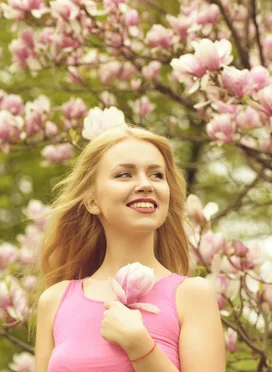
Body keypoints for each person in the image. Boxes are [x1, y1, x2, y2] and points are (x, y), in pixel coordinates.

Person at [31, 124, 226, 371]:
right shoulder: (55, 301)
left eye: (157, 175)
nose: (146, 184)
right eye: (125, 174)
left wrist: (140, 347)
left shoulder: (192, 295)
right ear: (92, 201)